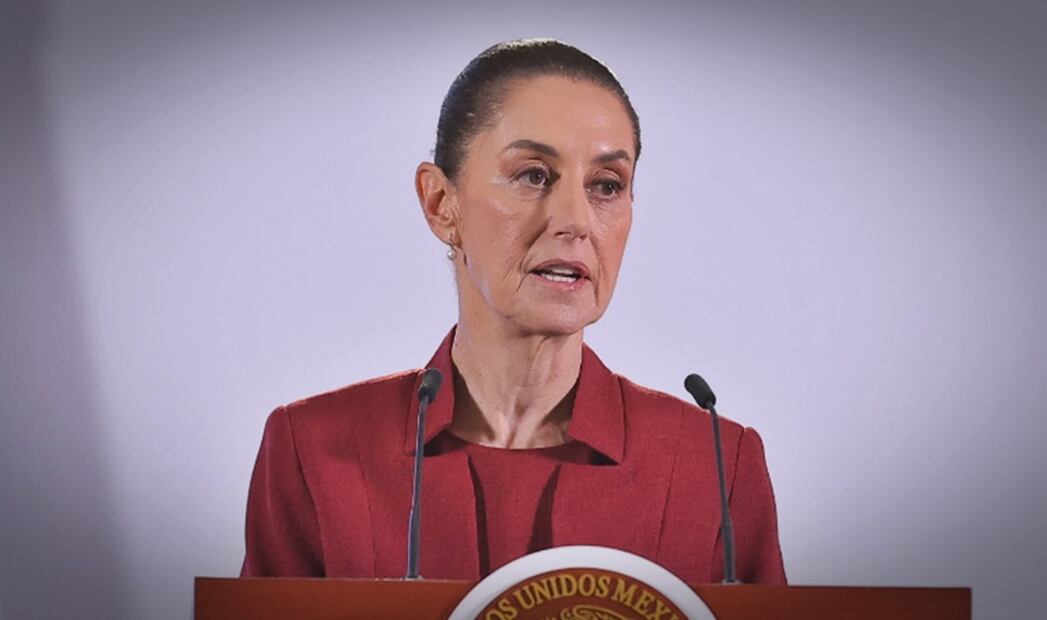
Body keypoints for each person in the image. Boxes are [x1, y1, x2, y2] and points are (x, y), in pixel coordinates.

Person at [240, 38, 786, 584]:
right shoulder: (312, 449)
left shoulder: (713, 463)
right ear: (440, 204)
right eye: (533, 175)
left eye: (606, 185)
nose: (575, 220)